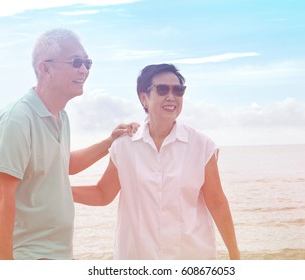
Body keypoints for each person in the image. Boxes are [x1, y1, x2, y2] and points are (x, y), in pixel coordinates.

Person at [0, 28, 138, 260]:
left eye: (88, 63)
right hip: (29, 255)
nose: (84, 70)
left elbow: (64, 164)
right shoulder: (18, 119)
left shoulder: (60, 116)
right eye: (76, 62)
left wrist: (109, 142)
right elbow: (1, 195)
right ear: (45, 68)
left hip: (59, 254)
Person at [72, 64, 240, 259]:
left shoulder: (202, 145)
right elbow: (103, 194)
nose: (171, 96)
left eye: (178, 90)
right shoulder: (125, 146)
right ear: (144, 98)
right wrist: (59, 192)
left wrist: (235, 255)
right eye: (162, 89)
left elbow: (217, 203)